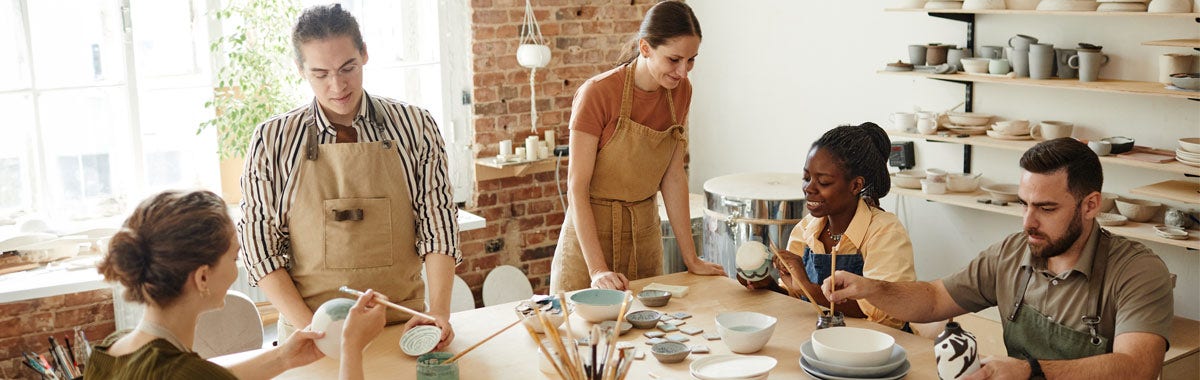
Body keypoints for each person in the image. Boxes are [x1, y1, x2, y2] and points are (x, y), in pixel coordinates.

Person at [824, 138, 1174, 379]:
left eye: (1046, 208)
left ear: (1091, 205)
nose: (1028, 222)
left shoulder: (1136, 271)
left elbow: (1137, 368)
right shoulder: (1014, 252)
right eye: (1024, 204)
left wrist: (1030, 371)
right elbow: (934, 299)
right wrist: (871, 289)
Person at [238, 4, 459, 349]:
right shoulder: (272, 140)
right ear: (300, 70)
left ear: (365, 54)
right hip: (310, 333)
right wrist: (315, 331)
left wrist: (439, 312)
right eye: (321, 74)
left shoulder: (416, 127)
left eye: (347, 68)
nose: (337, 86)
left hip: (403, 326)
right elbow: (259, 249)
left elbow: (439, 226)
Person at [88, 190, 386, 380]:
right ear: (202, 278)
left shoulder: (109, 351)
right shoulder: (185, 372)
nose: (237, 268)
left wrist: (283, 357)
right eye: (234, 257)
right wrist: (351, 347)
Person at [550, 0, 724, 293]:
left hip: (644, 236)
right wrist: (598, 270)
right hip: (589, 241)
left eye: (691, 60)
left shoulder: (681, 92)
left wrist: (691, 258)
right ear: (645, 48)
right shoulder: (597, 93)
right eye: (674, 60)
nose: (683, 72)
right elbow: (576, 187)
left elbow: (673, 175)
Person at [744, 123, 917, 331]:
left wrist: (808, 287)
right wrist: (768, 286)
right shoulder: (806, 230)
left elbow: (886, 312)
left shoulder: (885, 232)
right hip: (818, 341)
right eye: (806, 178)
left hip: (871, 348)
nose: (809, 188)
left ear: (855, 185)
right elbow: (797, 297)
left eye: (823, 182)